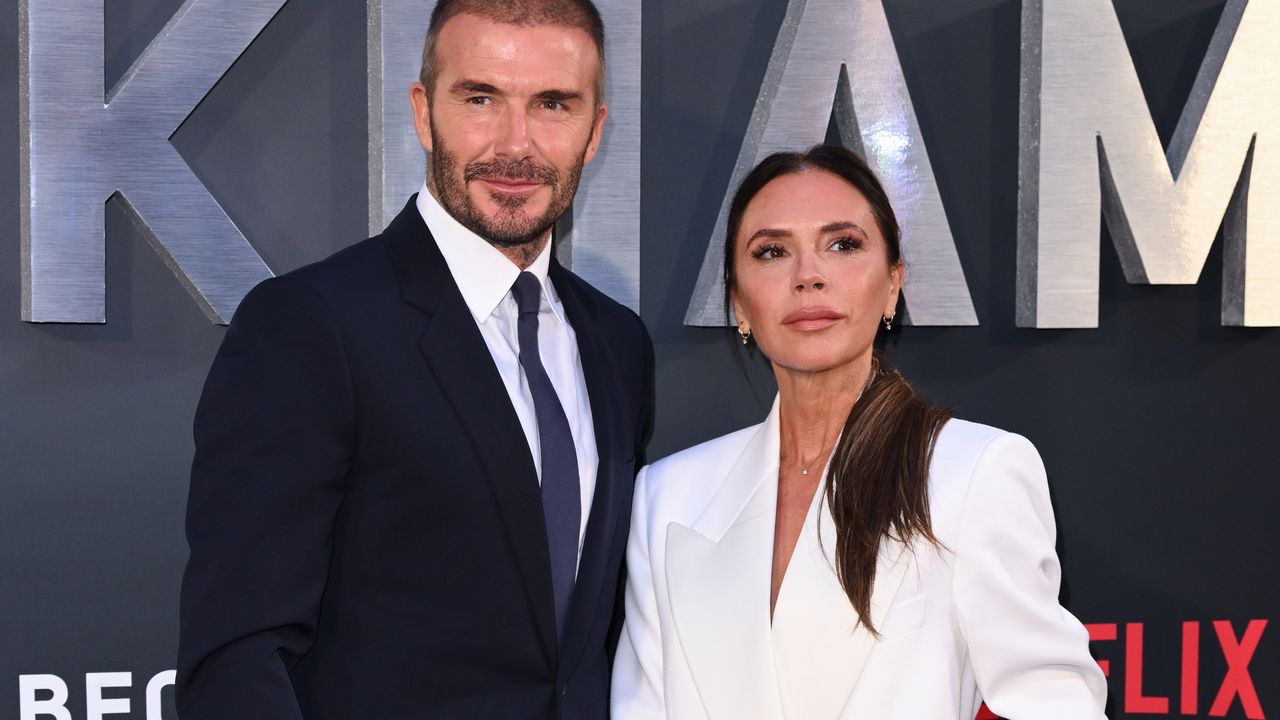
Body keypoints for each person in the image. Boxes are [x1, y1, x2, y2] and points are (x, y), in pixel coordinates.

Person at [176, 1, 652, 718]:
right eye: (481, 98)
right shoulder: (312, 327)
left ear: (594, 132)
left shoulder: (617, 344)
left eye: (553, 103)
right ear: (425, 112)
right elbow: (237, 658)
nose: (515, 144)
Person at [611, 145, 1106, 719]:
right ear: (737, 303)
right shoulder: (667, 497)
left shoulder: (972, 471)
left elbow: (1055, 705)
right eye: (772, 252)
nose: (808, 276)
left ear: (892, 284)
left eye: (842, 245)